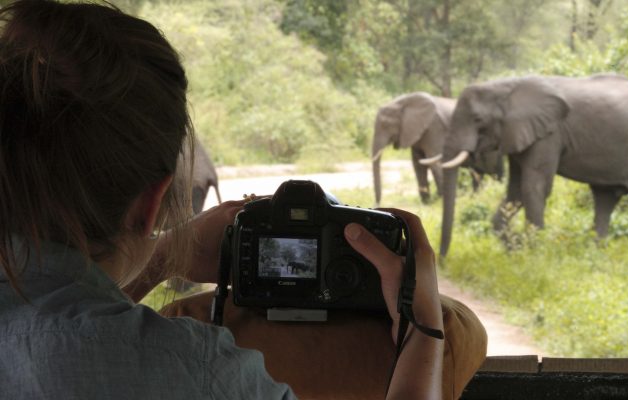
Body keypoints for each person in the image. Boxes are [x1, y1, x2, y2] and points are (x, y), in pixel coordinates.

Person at [0, 1, 445, 399]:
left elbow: (53, 309)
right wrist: (423, 330)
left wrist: (162, 259)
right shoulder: (200, 372)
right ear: (151, 202)